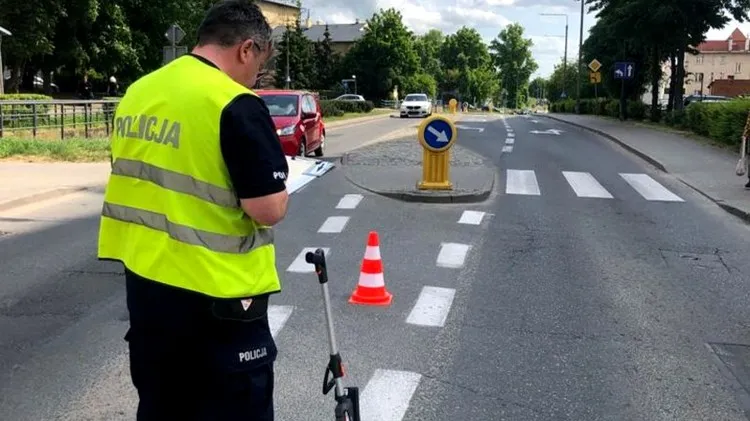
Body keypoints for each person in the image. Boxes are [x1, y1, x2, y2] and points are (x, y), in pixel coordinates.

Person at [97, 1, 289, 420]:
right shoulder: (234, 103)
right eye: (260, 63)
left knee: (163, 407)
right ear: (246, 48)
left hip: (149, 291)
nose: (256, 76)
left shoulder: (138, 92)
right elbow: (269, 208)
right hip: (218, 303)